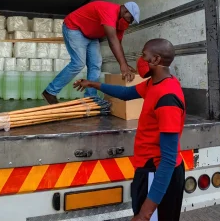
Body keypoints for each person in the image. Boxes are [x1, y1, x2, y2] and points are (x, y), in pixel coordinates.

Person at [74, 38, 186, 221]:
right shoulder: (154, 84)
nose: (139, 61)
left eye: (144, 56)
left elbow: (167, 160)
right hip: (147, 169)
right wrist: (94, 84)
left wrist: (145, 213)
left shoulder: (167, 98)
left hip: (157, 174)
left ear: (156, 60)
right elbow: (126, 94)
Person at [42, 0, 140, 104]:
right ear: (125, 10)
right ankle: (50, 91)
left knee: (96, 64)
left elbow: (118, 44)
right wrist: (122, 65)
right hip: (75, 28)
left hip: (91, 35)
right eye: (131, 18)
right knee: (78, 63)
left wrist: (124, 64)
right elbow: (112, 41)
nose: (130, 22)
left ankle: (91, 97)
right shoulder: (110, 11)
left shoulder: (121, 23)